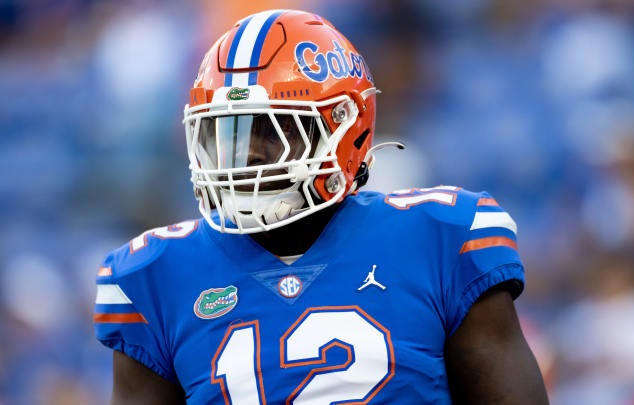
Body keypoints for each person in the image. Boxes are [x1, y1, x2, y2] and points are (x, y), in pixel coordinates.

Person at [93, 9, 549, 405]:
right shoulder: (154, 276)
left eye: (269, 132)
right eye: (226, 135)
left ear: (344, 130)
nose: (245, 156)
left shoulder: (442, 239)